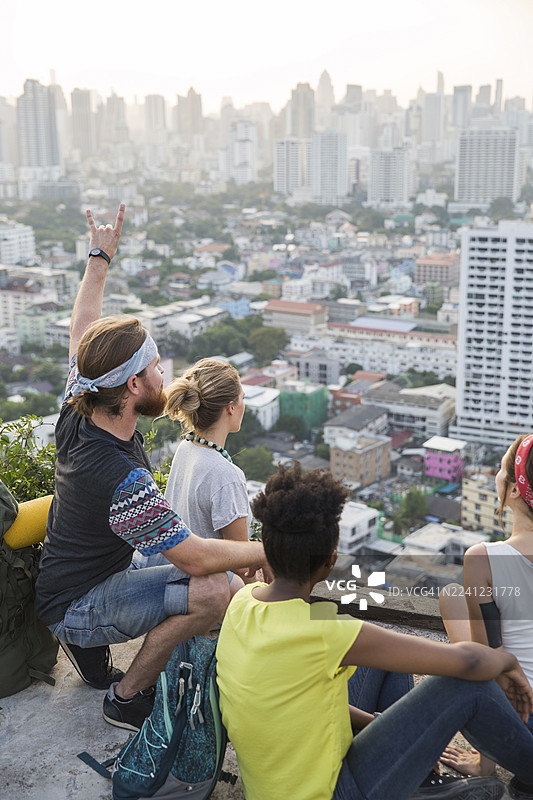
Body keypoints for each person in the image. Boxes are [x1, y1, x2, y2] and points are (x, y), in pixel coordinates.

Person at [34, 204, 268, 732]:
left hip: (81, 575)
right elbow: (196, 555)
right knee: (213, 589)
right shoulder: (121, 478)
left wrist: (99, 257)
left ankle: (95, 649)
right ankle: (126, 696)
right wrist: (273, 551)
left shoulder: (80, 405)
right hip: (77, 602)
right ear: (134, 385)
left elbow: (83, 329)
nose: (165, 375)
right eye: (155, 367)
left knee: (212, 578)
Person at [216, 462, 533, 800]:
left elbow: (308, 703)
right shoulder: (326, 634)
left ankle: (416, 777)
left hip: (278, 784)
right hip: (332, 793)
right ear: (330, 560)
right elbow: (470, 663)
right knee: (466, 684)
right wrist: (506, 661)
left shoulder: (243, 602)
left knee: (384, 660)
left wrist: (392, 730)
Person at [439, 433, 533, 794]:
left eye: (502, 468)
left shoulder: (484, 558)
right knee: (453, 597)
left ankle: (487, 762)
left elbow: (484, 665)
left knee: (451, 598)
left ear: (514, 490)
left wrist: (484, 764)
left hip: (523, 740)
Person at [164, 358, 259, 589]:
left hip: (176, 580)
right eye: (242, 398)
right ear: (230, 407)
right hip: (213, 591)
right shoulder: (226, 475)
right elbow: (242, 565)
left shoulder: (185, 448)